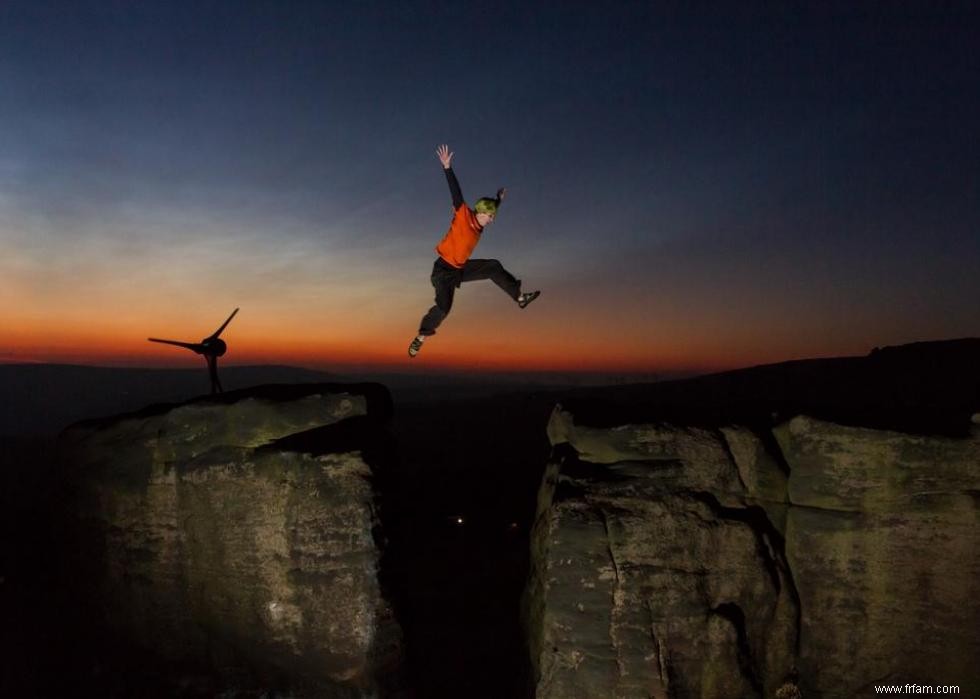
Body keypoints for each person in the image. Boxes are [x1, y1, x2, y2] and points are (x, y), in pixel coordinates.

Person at [408, 144, 540, 358]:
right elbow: (456, 194)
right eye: (491, 217)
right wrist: (447, 168)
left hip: (460, 268)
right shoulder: (463, 215)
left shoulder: (480, 224)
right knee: (443, 309)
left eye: (493, 217)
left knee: (492, 266)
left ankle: (519, 297)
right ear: (481, 213)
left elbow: (490, 207)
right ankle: (420, 337)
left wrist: (498, 199)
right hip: (443, 271)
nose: (492, 221)